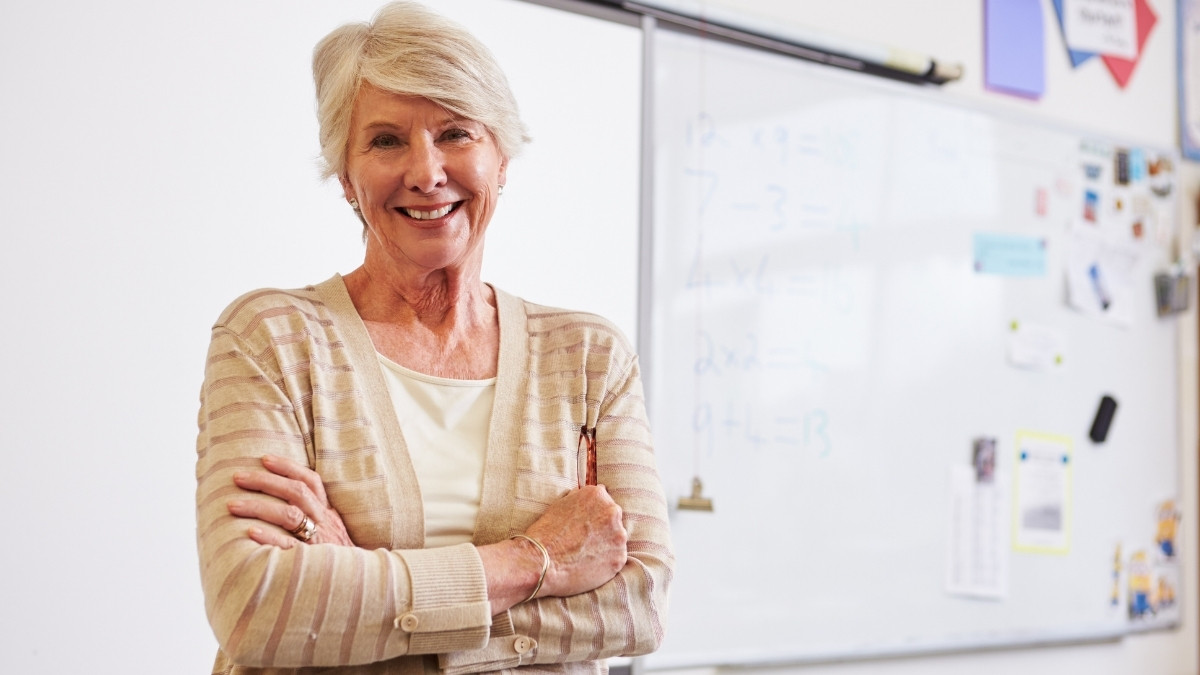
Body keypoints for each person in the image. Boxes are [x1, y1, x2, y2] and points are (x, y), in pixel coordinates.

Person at [193, 3, 674, 673]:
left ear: (502, 158)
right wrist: (539, 561)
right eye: (386, 141)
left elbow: (639, 605)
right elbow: (255, 607)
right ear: (346, 178)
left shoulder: (589, 357)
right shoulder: (271, 338)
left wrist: (360, 585)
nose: (426, 172)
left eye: (455, 133)